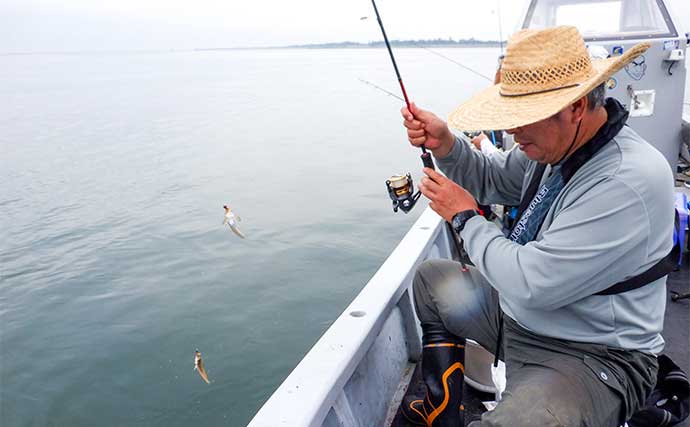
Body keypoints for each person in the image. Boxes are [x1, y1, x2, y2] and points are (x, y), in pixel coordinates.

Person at [399, 26, 675, 427]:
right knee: (431, 281)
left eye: (522, 118)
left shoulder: (627, 179)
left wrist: (465, 217)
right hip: (520, 318)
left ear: (576, 107)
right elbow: (492, 177)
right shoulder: (554, 148)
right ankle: (442, 410)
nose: (511, 130)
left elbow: (533, 281)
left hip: (593, 352)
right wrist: (447, 145)